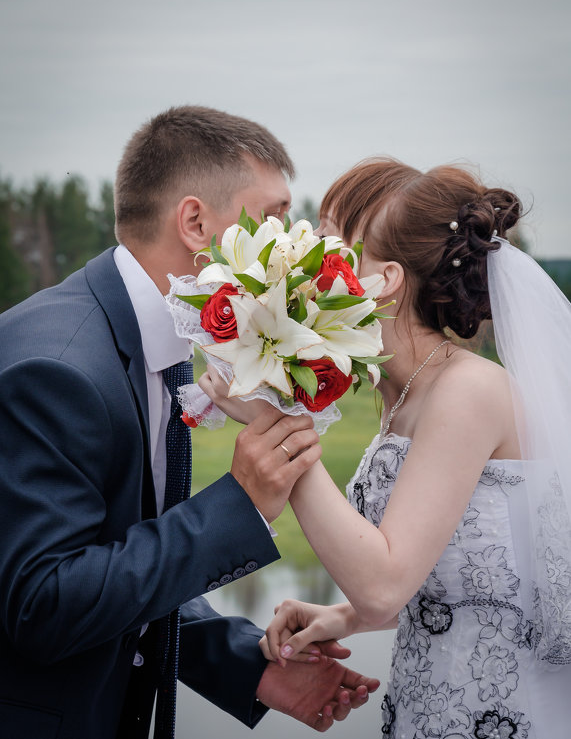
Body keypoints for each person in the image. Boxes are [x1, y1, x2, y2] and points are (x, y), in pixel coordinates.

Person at [0, 107, 379, 739]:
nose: (293, 248)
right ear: (197, 223)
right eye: (275, 220)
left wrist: (244, 665)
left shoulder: (164, 345)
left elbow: (118, 557)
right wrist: (237, 504)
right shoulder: (58, 370)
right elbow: (43, 605)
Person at [202, 158, 571, 738]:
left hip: (502, 713)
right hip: (425, 709)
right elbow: (456, 572)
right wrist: (339, 616)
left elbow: (381, 586)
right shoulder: (402, 395)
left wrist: (276, 426)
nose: (301, 259)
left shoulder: (467, 390)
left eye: (325, 241)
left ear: (385, 280)